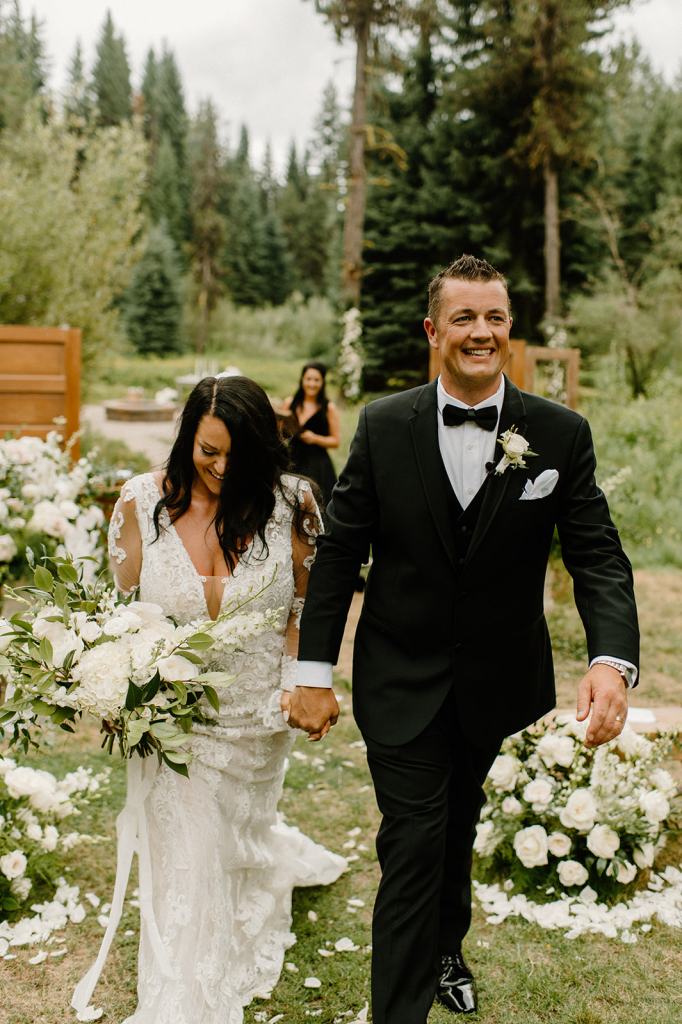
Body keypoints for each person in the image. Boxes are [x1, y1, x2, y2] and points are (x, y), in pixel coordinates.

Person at [285, 255, 639, 1023]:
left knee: (455, 825)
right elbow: (339, 553)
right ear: (433, 331)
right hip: (398, 675)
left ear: (510, 328)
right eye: (464, 318)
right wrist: (312, 669)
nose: (481, 332)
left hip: (498, 681)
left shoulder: (560, 434)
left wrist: (611, 660)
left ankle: (447, 949)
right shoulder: (384, 426)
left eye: (495, 317)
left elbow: (597, 554)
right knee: (413, 842)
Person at [93, 376, 346, 1023]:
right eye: (209, 452)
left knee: (237, 840)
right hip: (172, 725)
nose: (224, 468)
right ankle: (183, 996)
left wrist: (301, 683)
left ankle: (264, 862)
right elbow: (116, 617)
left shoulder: (293, 502)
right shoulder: (140, 502)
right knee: (190, 855)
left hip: (256, 717)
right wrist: (117, 684)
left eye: (239, 455)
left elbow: (305, 607)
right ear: (187, 440)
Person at [282, 361, 340, 508]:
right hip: (292, 461)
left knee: (317, 505)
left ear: (322, 382)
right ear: (302, 380)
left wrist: (315, 438)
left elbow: (335, 441)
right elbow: (280, 432)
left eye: (316, 380)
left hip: (318, 465)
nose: (312, 384)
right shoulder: (290, 403)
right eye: (308, 379)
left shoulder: (328, 408)